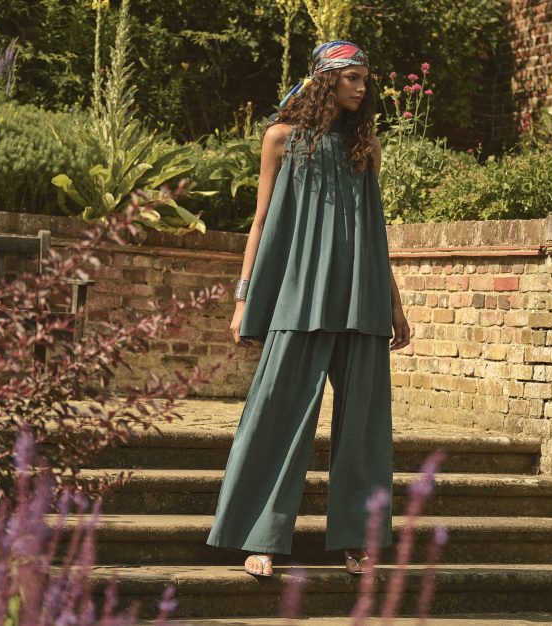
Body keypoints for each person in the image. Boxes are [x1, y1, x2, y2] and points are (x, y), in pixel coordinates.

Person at [204, 40, 412, 578]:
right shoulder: (281, 138)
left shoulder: (367, 147)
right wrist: (244, 297)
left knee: (364, 428)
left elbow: (375, 232)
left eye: (365, 78)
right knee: (276, 413)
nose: (362, 87)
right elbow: (260, 222)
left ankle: (356, 542)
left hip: (362, 298)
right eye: (352, 78)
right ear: (325, 80)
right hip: (301, 297)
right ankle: (258, 538)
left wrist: (394, 304)